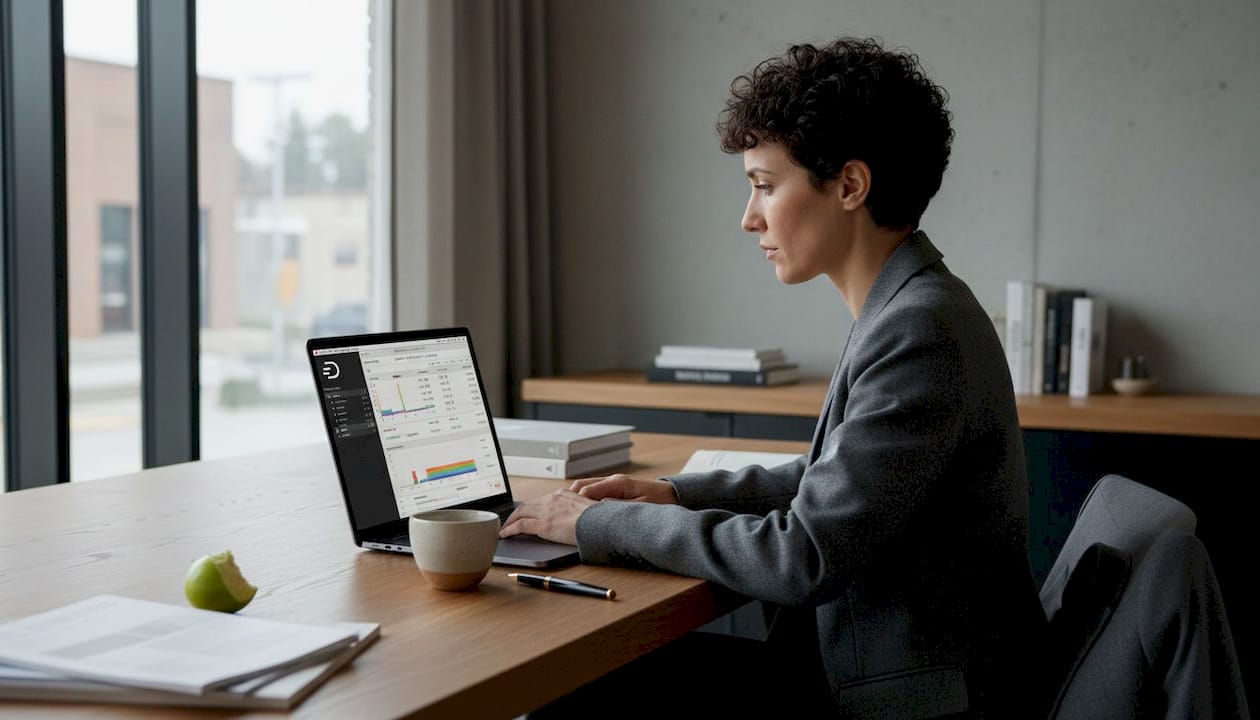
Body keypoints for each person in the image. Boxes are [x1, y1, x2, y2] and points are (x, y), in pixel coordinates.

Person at [502, 36, 1049, 719]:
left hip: (909, 699)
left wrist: (600, 524)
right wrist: (670, 494)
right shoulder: (912, 305)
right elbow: (830, 483)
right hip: (880, 670)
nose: (749, 216)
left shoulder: (918, 329)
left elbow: (805, 554)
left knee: (574, 690)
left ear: (850, 185)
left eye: (764, 185)